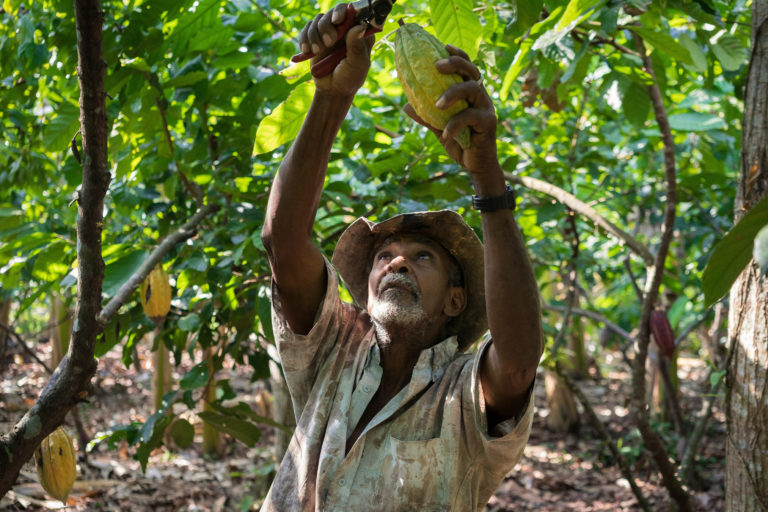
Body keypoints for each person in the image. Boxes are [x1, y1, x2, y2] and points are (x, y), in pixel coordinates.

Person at [259, 5, 543, 511]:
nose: (397, 263)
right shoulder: (333, 352)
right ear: (365, 290)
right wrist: (331, 95)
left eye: (421, 257)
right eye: (384, 255)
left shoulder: (462, 395)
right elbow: (283, 242)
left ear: (456, 301)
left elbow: (518, 363)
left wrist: (487, 178)